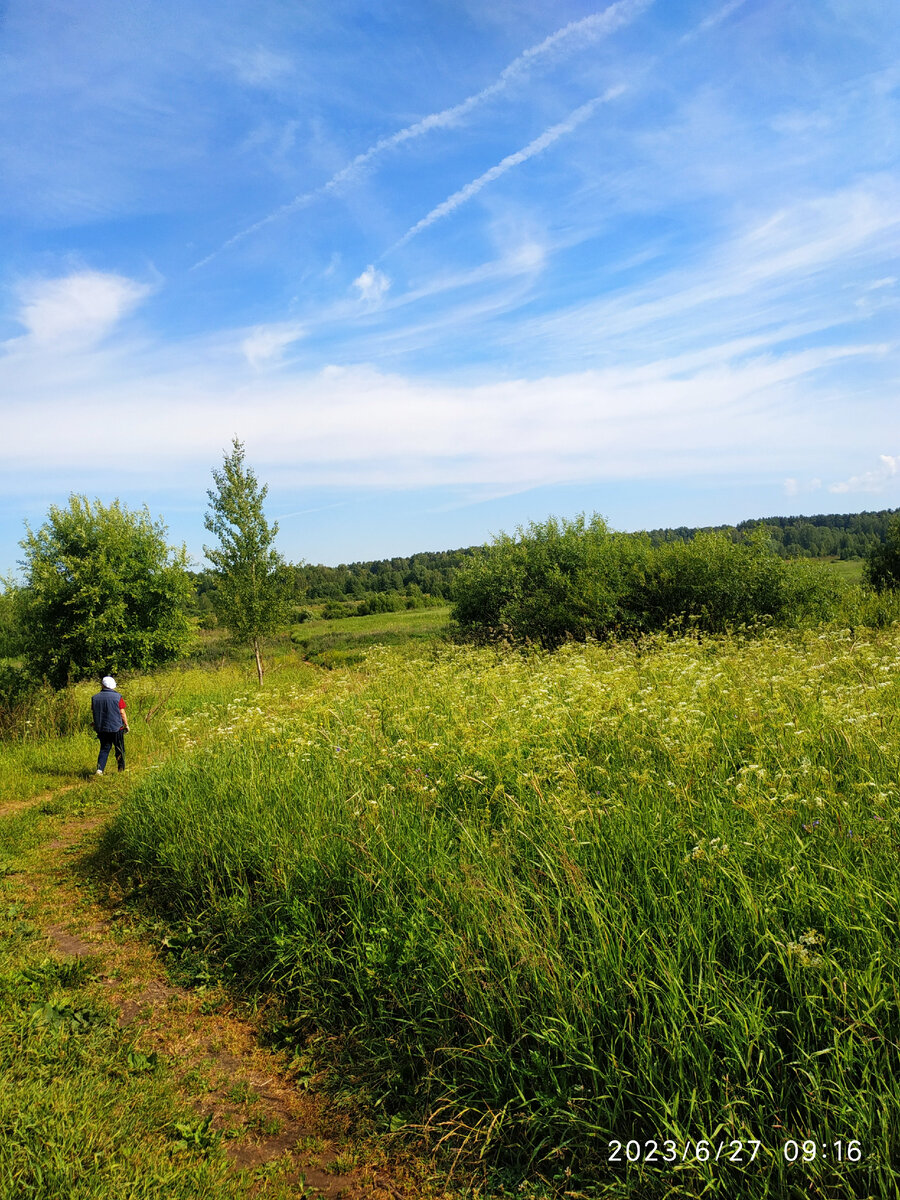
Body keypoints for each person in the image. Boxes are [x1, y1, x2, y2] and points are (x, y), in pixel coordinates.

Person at [91, 675, 129, 774]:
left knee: (104, 748)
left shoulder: (95, 698)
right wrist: (126, 725)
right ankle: (121, 770)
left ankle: (99, 770)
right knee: (119, 749)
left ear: (102, 685)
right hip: (117, 728)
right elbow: (122, 712)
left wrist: (95, 723)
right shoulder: (118, 696)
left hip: (102, 728)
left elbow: (95, 712)